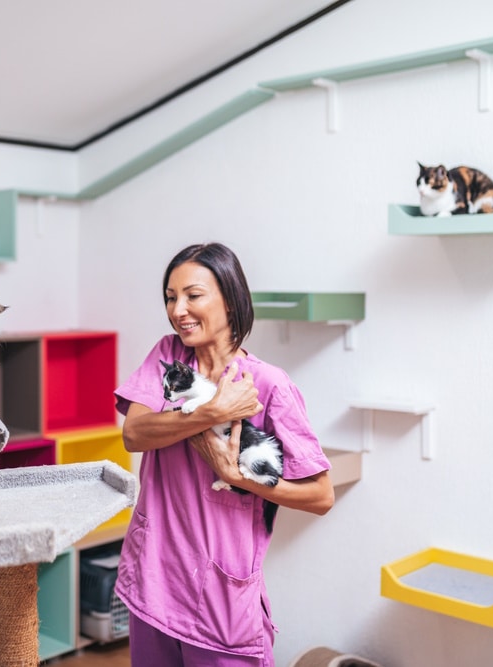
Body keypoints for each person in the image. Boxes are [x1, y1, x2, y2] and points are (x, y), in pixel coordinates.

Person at [113, 242, 334, 666]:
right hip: (154, 581)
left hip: (219, 600)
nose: (178, 310)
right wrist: (211, 413)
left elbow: (320, 496)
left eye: (193, 296)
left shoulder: (268, 385)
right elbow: (134, 433)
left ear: (231, 302)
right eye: (170, 297)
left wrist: (237, 477)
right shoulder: (168, 355)